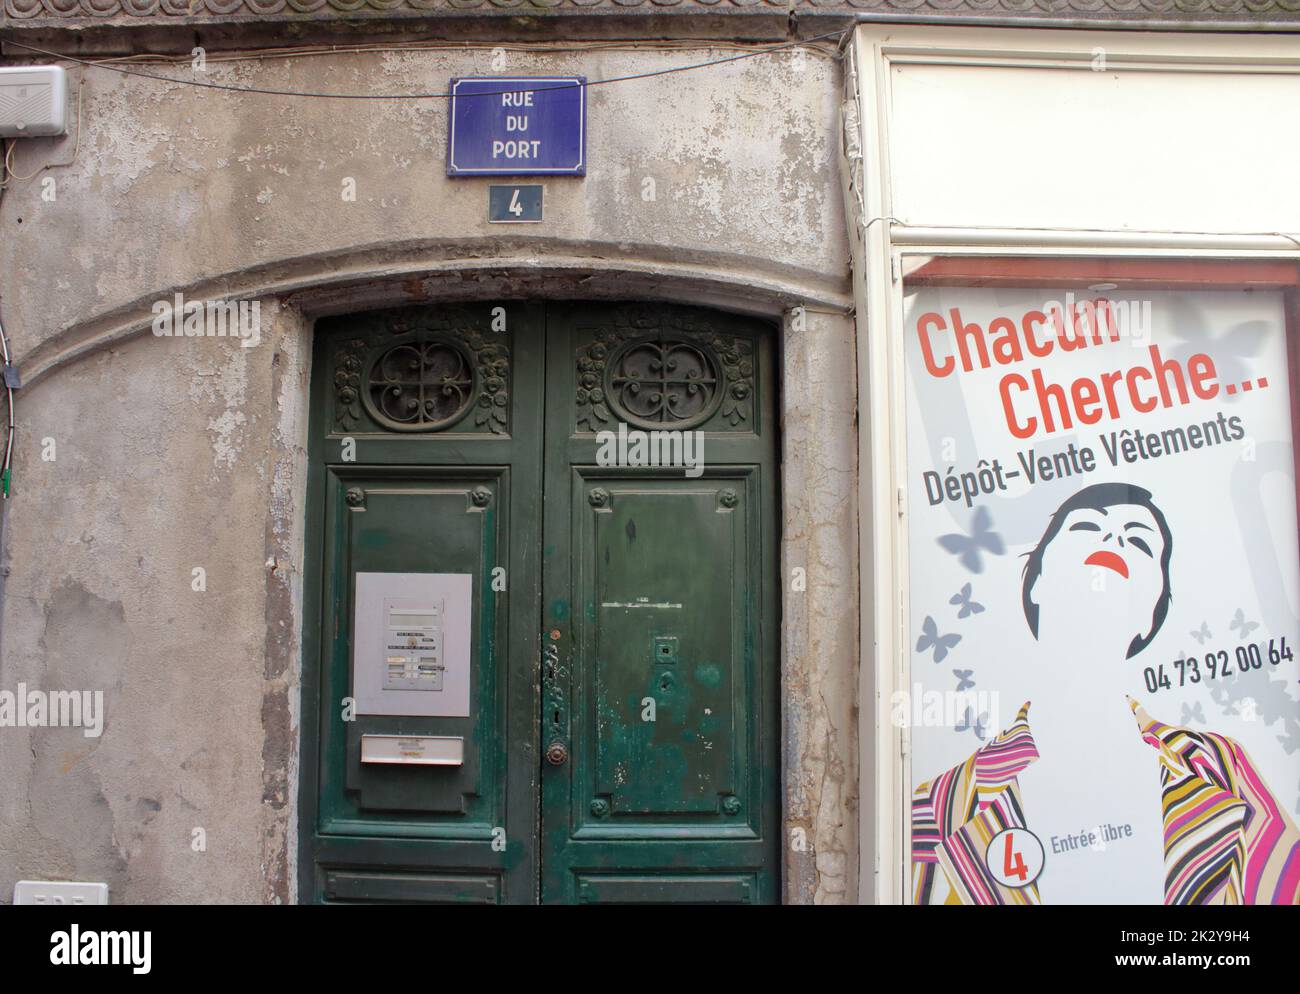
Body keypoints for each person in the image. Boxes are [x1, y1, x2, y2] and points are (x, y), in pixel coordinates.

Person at [912, 483, 1299, 905]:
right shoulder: (940, 805)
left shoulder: (1219, 766)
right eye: (1087, 526)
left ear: (1152, 614)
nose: (1113, 537)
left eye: (1138, 540)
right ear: (1037, 579)